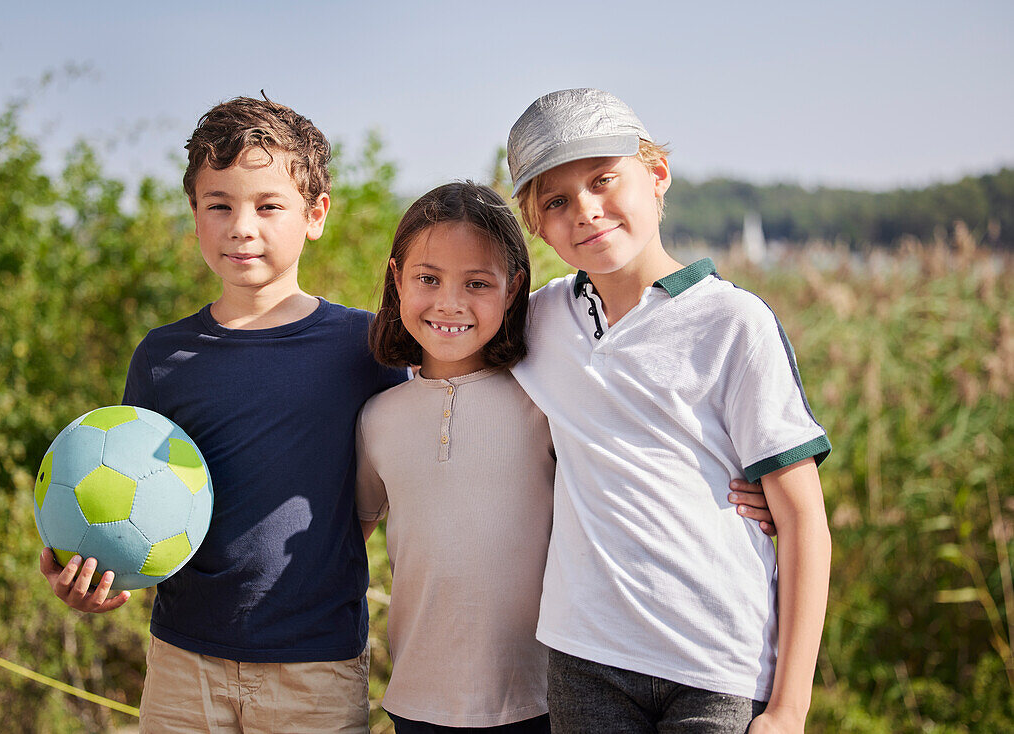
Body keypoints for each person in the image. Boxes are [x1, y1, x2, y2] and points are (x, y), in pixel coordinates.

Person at [39, 95, 406, 733]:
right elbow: (130, 507)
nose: (243, 226)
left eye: (268, 205)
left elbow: (395, 486)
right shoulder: (162, 356)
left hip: (315, 667)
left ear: (315, 214)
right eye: (220, 205)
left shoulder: (367, 346)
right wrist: (95, 577)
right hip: (183, 661)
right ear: (194, 214)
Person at [354, 182, 777, 733]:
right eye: (427, 279)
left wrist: (736, 486)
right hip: (417, 698)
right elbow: (347, 543)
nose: (449, 302)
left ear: (513, 292)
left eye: (477, 283)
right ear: (396, 278)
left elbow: (638, 457)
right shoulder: (378, 419)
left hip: (545, 695)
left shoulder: (543, 398)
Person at [506, 88, 832, 733]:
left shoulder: (733, 321)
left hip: (717, 664)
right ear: (536, 225)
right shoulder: (537, 321)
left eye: (604, 180)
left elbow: (804, 523)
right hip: (585, 657)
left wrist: (789, 708)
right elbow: (440, 345)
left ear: (656, 176)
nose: (587, 211)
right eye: (557, 201)